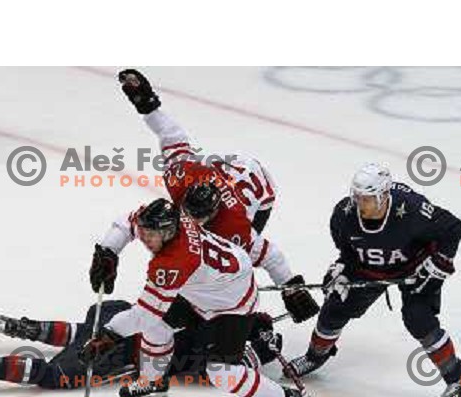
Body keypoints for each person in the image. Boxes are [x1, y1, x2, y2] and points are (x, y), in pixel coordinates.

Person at [85, 197, 306, 397]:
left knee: (222, 373)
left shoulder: (175, 261)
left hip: (232, 305)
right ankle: (153, 381)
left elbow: (143, 315)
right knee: (158, 327)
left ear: (168, 232)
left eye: (151, 235)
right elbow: (128, 222)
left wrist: (110, 335)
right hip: (202, 286)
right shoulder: (170, 220)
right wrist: (107, 251)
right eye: (144, 232)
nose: (145, 238)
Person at [115, 68, 318, 325]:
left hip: (259, 195)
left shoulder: (234, 227)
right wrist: (147, 104)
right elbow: (172, 135)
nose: (190, 222)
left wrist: (291, 288)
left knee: (230, 264)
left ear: (213, 214)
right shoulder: (181, 176)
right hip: (230, 170)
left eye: (199, 218)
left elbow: (271, 255)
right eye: (187, 212)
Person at [290, 162, 461, 397]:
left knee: (418, 319)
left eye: (367, 199)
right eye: (358, 197)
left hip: (414, 270)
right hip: (369, 269)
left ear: (384, 195)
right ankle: (315, 355)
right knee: (335, 307)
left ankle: (459, 382)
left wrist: (438, 266)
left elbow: (453, 229)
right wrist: (341, 269)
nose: (360, 204)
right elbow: (348, 252)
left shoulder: (412, 210)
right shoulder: (343, 215)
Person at [0, 301, 282, 394]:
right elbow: (220, 370)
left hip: (118, 312)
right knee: (55, 377)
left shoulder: (228, 309)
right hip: (123, 351)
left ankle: (30, 328)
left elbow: (252, 314)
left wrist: (260, 327)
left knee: (88, 332)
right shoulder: (219, 357)